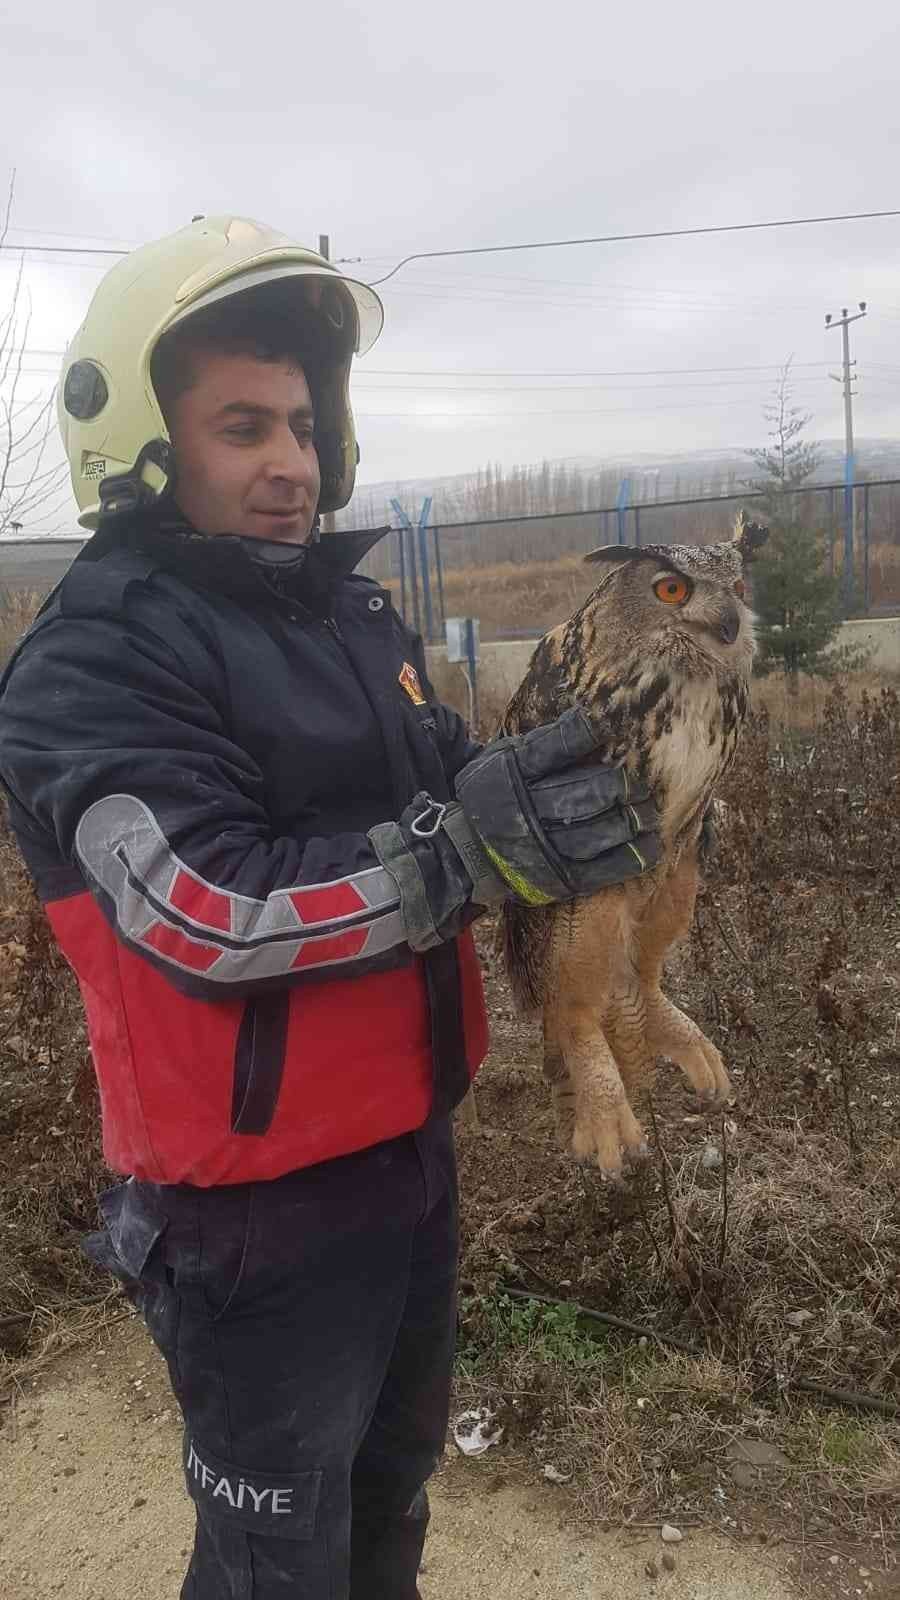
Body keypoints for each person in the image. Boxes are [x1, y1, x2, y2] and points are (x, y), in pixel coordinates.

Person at [0, 215, 660, 1599]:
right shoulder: (98, 659)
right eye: (244, 427)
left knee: (386, 1513)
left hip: (404, 1157)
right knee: (274, 1563)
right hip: (247, 1212)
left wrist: (553, 785)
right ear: (143, 440)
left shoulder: (344, 619)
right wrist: (465, 859)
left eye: (303, 424)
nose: (291, 464)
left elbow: (447, 784)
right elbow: (201, 914)